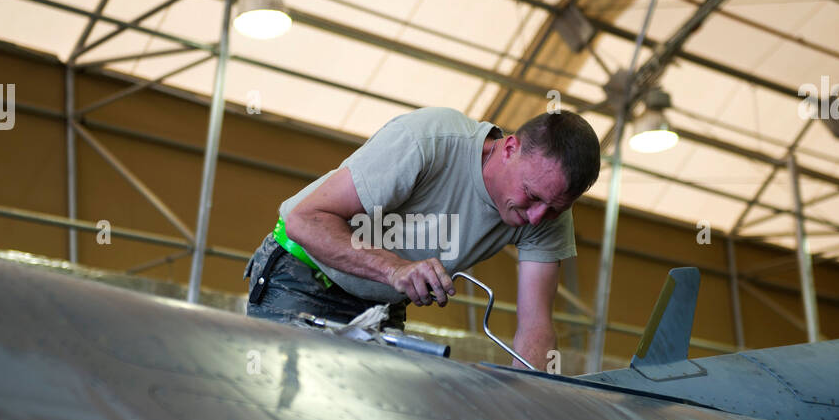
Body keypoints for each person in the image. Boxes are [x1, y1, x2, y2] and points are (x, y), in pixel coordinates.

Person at [243, 106, 601, 370]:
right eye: (532, 196)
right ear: (509, 149)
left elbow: (536, 324)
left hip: (381, 306)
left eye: (555, 208)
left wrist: (525, 406)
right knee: (283, 418)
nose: (538, 217)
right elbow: (304, 221)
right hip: (302, 277)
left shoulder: (549, 207)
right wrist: (396, 270)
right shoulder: (427, 140)